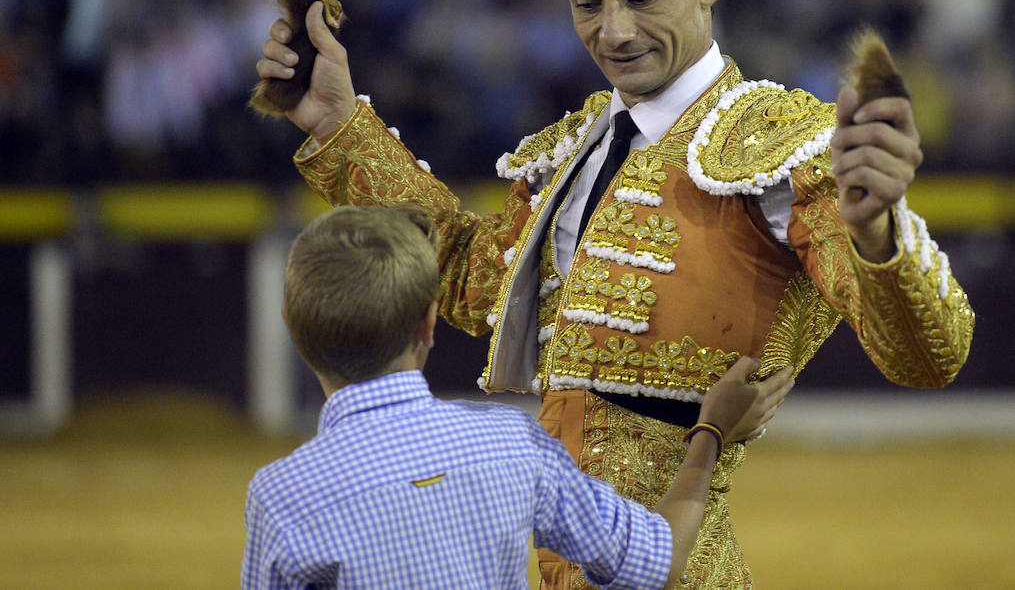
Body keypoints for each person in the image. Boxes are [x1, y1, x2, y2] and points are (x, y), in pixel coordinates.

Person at [255, 0, 975, 588]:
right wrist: (342, 125)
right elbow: (474, 283)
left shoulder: (781, 145)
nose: (613, 31)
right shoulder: (577, 145)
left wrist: (878, 237)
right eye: (586, 1)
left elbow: (928, 356)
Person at [242, 203, 794, 590]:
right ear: (429, 324)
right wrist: (711, 434)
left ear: (292, 327)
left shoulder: (283, 496)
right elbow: (660, 560)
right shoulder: (509, 443)